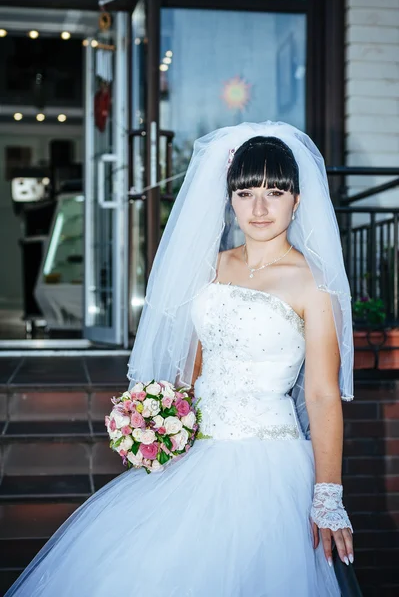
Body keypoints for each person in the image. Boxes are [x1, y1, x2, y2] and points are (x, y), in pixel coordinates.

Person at [5, 122, 355, 597]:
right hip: (195, 453)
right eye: (246, 191)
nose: (259, 207)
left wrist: (327, 495)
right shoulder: (210, 267)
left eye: (275, 192)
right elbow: (193, 364)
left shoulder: (313, 283)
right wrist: (161, 419)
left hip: (268, 464)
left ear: (297, 200)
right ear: (229, 197)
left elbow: (319, 393)